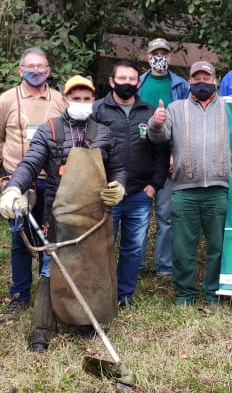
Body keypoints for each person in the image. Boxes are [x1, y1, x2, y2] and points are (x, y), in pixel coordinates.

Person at [0, 75, 126, 352]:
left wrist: (120, 186)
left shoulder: (104, 133)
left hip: (95, 214)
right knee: (50, 266)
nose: (81, 103)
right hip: (59, 211)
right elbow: (30, 163)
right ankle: (42, 328)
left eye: (86, 98)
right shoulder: (49, 130)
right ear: (65, 99)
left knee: (90, 265)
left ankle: (82, 320)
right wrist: (14, 188)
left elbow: (118, 168)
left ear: (93, 100)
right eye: (75, 98)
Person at [0, 47, 67, 319]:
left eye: (41, 66)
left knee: (51, 236)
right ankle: (20, 294)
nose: (36, 70)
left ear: (49, 71)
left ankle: (50, 290)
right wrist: (13, 165)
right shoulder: (7, 100)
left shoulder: (59, 100)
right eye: (30, 66)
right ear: (20, 70)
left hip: (53, 181)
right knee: (19, 239)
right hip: (19, 183)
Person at [149, 61, 230, 307]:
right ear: (190, 82)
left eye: (206, 78)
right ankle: (185, 294)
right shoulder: (176, 108)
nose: (201, 82)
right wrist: (156, 122)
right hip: (184, 189)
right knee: (183, 247)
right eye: (196, 78)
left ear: (215, 81)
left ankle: (213, 292)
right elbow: (159, 138)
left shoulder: (229, 108)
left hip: (219, 189)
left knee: (218, 246)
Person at [93, 60, 170, 306]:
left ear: (139, 83)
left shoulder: (148, 112)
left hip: (139, 193)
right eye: (122, 79)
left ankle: (124, 295)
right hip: (107, 193)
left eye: (132, 79)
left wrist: (155, 185)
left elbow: (160, 151)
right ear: (112, 82)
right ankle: (101, 293)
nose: (128, 83)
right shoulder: (97, 110)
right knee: (102, 248)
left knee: (133, 249)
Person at [138, 38, 189, 279]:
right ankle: (135, 263)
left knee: (166, 215)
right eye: (155, 53)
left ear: (170, 56)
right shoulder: (137, 83)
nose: (160, 56)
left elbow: (186, 123)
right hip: (140, 155)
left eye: (164, 53)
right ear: (148, 57)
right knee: (138, 214)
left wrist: (175, 153)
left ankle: (164, 266)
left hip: (168, 156)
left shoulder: (181, 86)